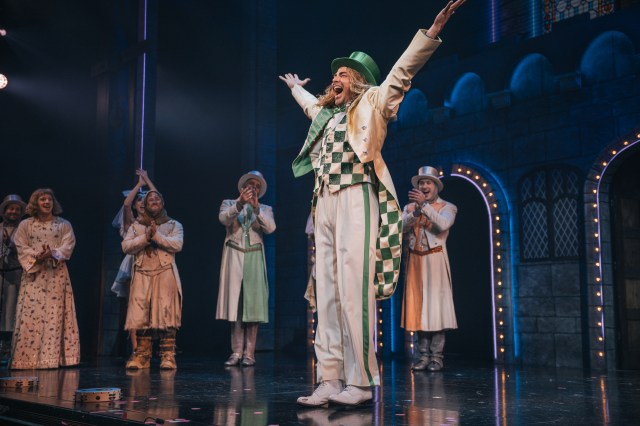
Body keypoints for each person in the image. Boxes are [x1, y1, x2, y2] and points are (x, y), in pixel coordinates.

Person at [279, 0, 465, 406]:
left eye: (344, 73)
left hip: (357, 197)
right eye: (334, 74)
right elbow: (312, 104)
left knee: (352, 287)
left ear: (360, 81)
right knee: (324, 289)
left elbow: (402, 73)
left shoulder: (374, 104)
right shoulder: (326, 116)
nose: (336, 78)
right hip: (324, 201)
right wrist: (296, 87)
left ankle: (360, 382)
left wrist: (430, 33)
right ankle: (329, 378)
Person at [10, 188, 80, 369]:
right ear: (36, 203)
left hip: (56, 274)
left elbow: (68, 245)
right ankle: (27, 359)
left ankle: (52, 358)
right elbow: (21, 246)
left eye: (49, 199)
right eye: (42, 199)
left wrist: (53, 253)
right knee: (31, 314)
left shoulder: (64, 224)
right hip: (35, 274)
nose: (47, 202)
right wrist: (38, 256)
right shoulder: (26, 225)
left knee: (54, 315)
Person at [216, 171, 276, 367]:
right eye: (250, 185)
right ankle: (236, 352)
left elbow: (271, 228)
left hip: (254, 255)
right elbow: (224, 219)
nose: (254, 189)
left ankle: (249, 353)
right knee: (236, 304)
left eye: (257, 186)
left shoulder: (265, 208)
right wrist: (240, 204)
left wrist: (257, 209)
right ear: (243, 188)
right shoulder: (229, 203)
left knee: (254, 305)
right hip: (234, 253)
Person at [401, 166, 458, 372]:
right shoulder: (410, 208)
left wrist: (425, 206)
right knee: (418, 308)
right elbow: (400, 228)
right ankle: (422, 356)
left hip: (435, 260)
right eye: (421, 183)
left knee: (436, 308)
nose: (424, 186)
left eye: (428, 183)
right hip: (415, 260)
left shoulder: (447, 207)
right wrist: (416, 210)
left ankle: (437, 357)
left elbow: (442, 225)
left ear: (435, 186)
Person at [122, 190, 184, 370]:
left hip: (165, 272)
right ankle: (142, 356)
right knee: (141, 313)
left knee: (167, 313)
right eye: (150, 199)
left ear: (162, 203)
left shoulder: (174, 225)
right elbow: (126, 246)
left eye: (157, 198)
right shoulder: (136, 226)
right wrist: (145, 237)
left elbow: (177, 244)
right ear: (145, 205)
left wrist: (155, 236)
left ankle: (168, 355)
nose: (154, 200)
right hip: (142, 272)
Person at [111, 169, 158, 352]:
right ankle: (136, 348)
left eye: (143, 201)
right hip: (133, 264)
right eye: (138, 201)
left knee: (151, 307)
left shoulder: (155, 221)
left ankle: (150, 345)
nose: (141, 203)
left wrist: (147, 180)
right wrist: (139, 184)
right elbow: (126, 205)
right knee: (134, 307)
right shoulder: (130, 223)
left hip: (152, 263)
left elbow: (157, 198)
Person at [0, 194, 26, 363]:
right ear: (4, 211)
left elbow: (24, 250)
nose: (13, 212)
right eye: (10, 208)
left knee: (10, 312)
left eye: (17, 209)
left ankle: (7, 348)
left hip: (14, 274)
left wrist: (10, 243)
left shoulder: (23, 229)